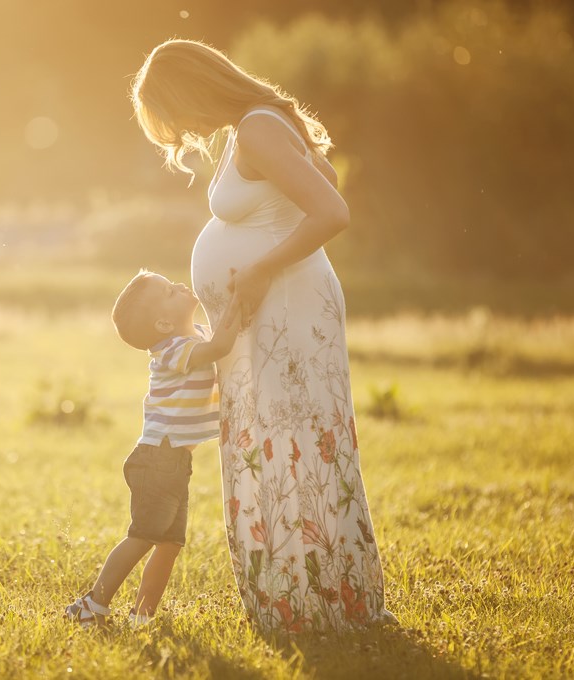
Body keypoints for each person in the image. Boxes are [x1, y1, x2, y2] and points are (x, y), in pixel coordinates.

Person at [131, 39, 394, 633]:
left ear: (193, 90)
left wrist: (257, 267)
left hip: (288, 311)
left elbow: (332, 210)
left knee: (294, 443)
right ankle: (300, 596)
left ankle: (319, 603)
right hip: (270, 317)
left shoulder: (256, 128)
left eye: (177, 117)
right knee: (275, 443)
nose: (185, 134)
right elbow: (317, 178)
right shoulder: (252, 128)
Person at [65, 269, 240, 628]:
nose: (178, 284)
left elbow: (221, 336)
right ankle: (92, 604)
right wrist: (241, 294)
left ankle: (141, 618)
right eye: (168, 291)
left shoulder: (196, 336)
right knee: (144, 535)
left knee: (170, 544)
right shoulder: (172, 350)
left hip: (174, 461)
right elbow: (222, 346)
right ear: (163, 323)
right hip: (158, 459)